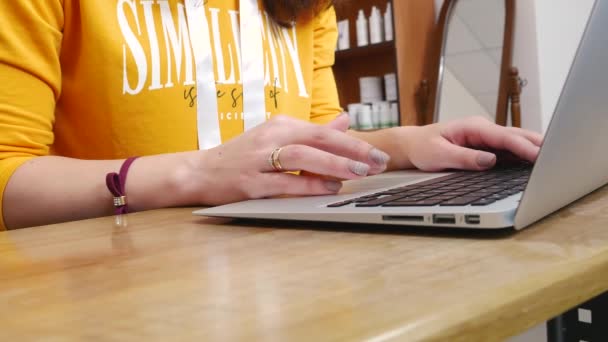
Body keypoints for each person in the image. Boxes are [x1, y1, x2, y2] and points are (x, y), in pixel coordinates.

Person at [0, 0, 542, 230]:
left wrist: (409, 142)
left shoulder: (308, 6)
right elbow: (7, 177)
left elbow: (318, 135)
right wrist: (194, 174)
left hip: (298, 273)